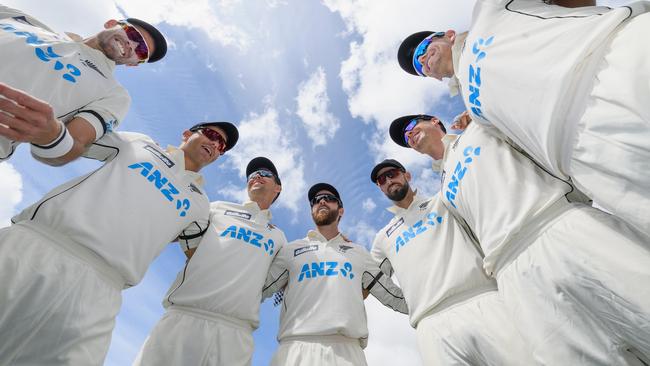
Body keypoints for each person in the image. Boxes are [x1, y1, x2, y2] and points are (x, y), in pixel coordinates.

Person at [388, 114, 650, 365]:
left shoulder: (480, 128)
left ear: (435, 121)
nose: (409, 134)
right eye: (405, 137)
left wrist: (479, 115)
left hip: (556, 221)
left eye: (411, 125)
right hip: (512, 270)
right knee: (578, 356)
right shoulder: (444, 194)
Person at [396, 1, 650, 238]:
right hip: (591, 157)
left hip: (615, 68)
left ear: (448, 34)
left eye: (421, 49)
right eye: (419, 67)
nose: (421, 60)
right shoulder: (475, 113)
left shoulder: (489, 11)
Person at [0, 121, 238, 365]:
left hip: (103, 288)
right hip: (39, 244)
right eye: (210, 134)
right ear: (187, 134)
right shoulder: (140, 143)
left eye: (222, 146)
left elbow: (198, 257)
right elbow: (71, 141)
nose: (215, 144)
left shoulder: (200, 206)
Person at [370, 158, 529, 365]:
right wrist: (408, 304)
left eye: (392, 174)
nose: (388, 181)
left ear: (406, 175)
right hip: (430, 323)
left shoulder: (443, 200)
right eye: (382, 180)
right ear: (381, 189)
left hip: (481, 299)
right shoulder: (383, 237)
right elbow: (371, 280)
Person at [133, 157, 287, 366]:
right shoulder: (217, 208)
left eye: (265, 174)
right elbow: (171, 226)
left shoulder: (279, 237)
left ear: (277, 187)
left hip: (236, 333)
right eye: (252, 175)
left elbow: (275, 282)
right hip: (184, 316)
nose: (257, 176)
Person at [0, 4, 167, 165]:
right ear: (112, 23)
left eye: (142, 52)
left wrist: (52, 137)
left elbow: (76, 143)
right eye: (134, 34)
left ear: (134, 64)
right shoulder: (22, 20)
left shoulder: (114, 94)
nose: (133, 44)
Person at [262, 183, 408, 366]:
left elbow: (391, 294)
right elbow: (259, 289)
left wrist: (430, 306)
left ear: (341, 211)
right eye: (316, 200)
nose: (322, 201)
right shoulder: (291, 250)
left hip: (347, 350)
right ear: (311, 211)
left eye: (330, 198)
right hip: (295, 349)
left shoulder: (358, 252)